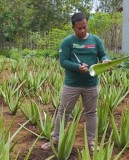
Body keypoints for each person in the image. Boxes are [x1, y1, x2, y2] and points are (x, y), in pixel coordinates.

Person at [41, 12, 111, 151]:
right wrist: (77, 67)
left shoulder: (95, 40)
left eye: (84, 27)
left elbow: (103, 54)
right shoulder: (68, 42)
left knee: (91, 112)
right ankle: (56, 139)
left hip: (91, 84)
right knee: (64, 112)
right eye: (79, 28)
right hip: (72, 84)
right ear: (73, 27)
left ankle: (91, 142)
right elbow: (63, 61)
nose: (82, 30)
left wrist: (105, 60)